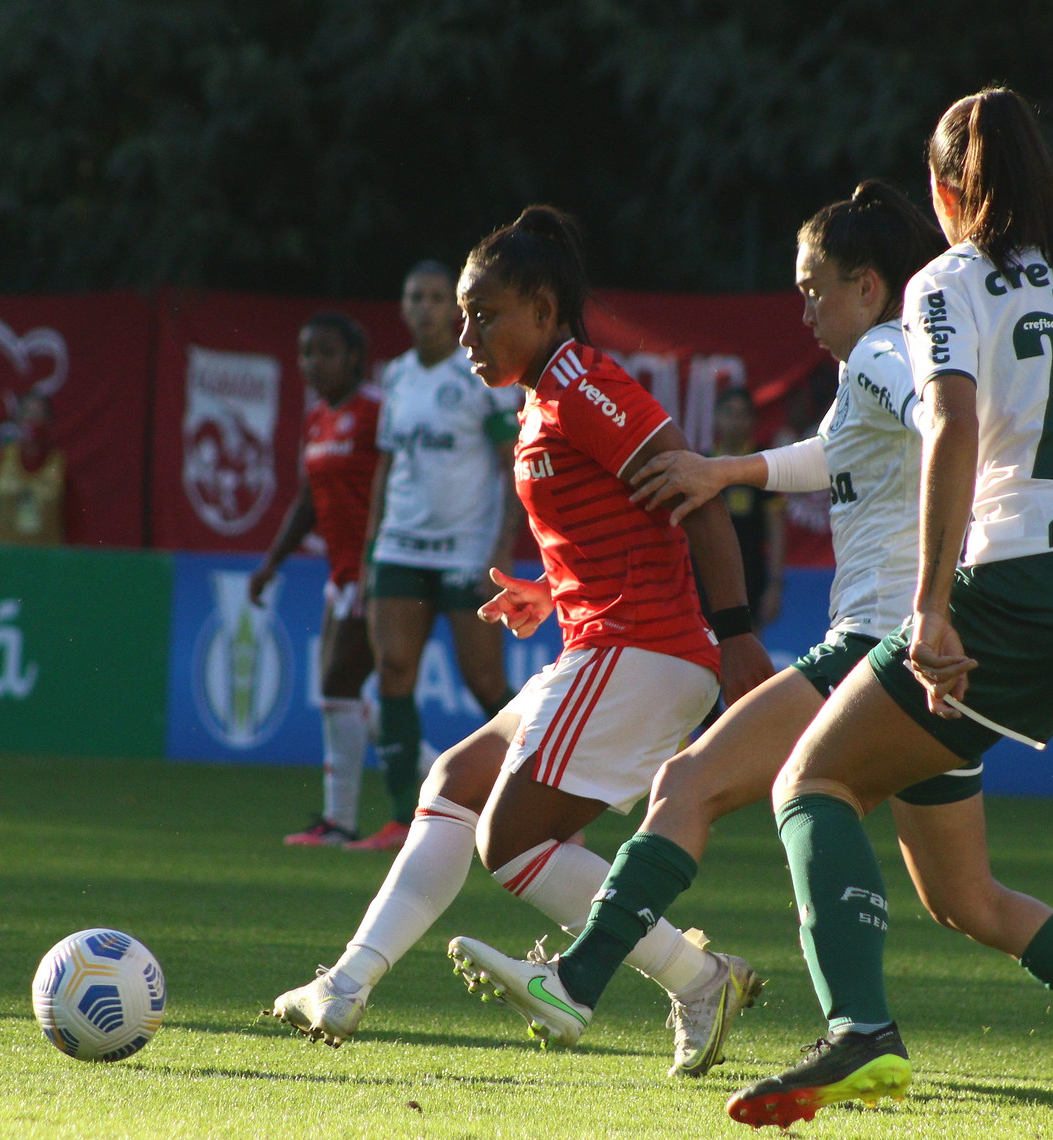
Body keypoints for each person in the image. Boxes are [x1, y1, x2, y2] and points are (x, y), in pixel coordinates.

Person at [448, 181, 1053, 1090]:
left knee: (689, 782)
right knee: (968, 899)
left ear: (870, 287)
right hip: (939, 663)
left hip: (883, 642)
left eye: (814, 287)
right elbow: (836, 451)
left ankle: (579, 979)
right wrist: (729, 469)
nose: (801, 306)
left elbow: (938, 424)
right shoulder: (875, 364)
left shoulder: (885, 349)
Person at [719, 89, 1053, 1140]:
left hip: (1028, 576)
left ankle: (859, 1026)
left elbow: (953, 423)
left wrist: (926, 606)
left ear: (945, 188)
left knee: (813, 782)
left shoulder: (943, 282)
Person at [270, 206, 777, 1076]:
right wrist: (553, 589)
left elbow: (693, 492)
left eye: (484, 311)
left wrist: (736, 640)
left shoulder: (581, 382)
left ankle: (696, 978)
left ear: (543, 309)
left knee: (507, 841)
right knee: (454, 782)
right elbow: (624, 522)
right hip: (607, 641)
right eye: (464, 314)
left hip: (644, 650)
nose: (465, 331)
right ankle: (346, 984)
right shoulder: (546, 395)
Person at [353, 261, 523, 851]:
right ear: (402, 308)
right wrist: (370, 549)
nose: (423, 307)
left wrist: (500, 550)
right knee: (394, 670)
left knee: (484, 682)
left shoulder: (477, 373)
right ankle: (403, 815)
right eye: (413, 296)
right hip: (400, 546)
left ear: (453, 311)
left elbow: (513, 470)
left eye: (433, 297)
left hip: (465, 551)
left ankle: (541, 803)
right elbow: (385, 471)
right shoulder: (396, 376)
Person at [250, 313, 384, 847]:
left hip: (376, 568)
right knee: (343, 691)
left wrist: (381, 559)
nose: (313, 363)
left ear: (354, 356)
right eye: (306, 353)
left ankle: (344, 820)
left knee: (337, 685)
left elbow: (399, 485)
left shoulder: (376, 412)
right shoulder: (316, 419)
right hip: (342, 573)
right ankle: (429, 786)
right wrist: (271, 562)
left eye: (325, 351)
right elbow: (308, 502)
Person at [706, 385, 785, 624]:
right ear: (717, 417)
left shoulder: (763, 467)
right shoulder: (701, 465)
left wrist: (775, 585)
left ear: (752, 420)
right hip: (706, 575)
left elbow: (777, 530)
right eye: (729, 413)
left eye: (742, 414)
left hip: (750, 576)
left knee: (747, 646)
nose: (735, 421)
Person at [0, 390, 65, 546]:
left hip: (44, 560)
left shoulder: (60, 466)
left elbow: (74, 520)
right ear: (17, 421)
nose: (32, 422)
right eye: (28, 415)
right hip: (0, 558)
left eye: (38, 416)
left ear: (49, 422)